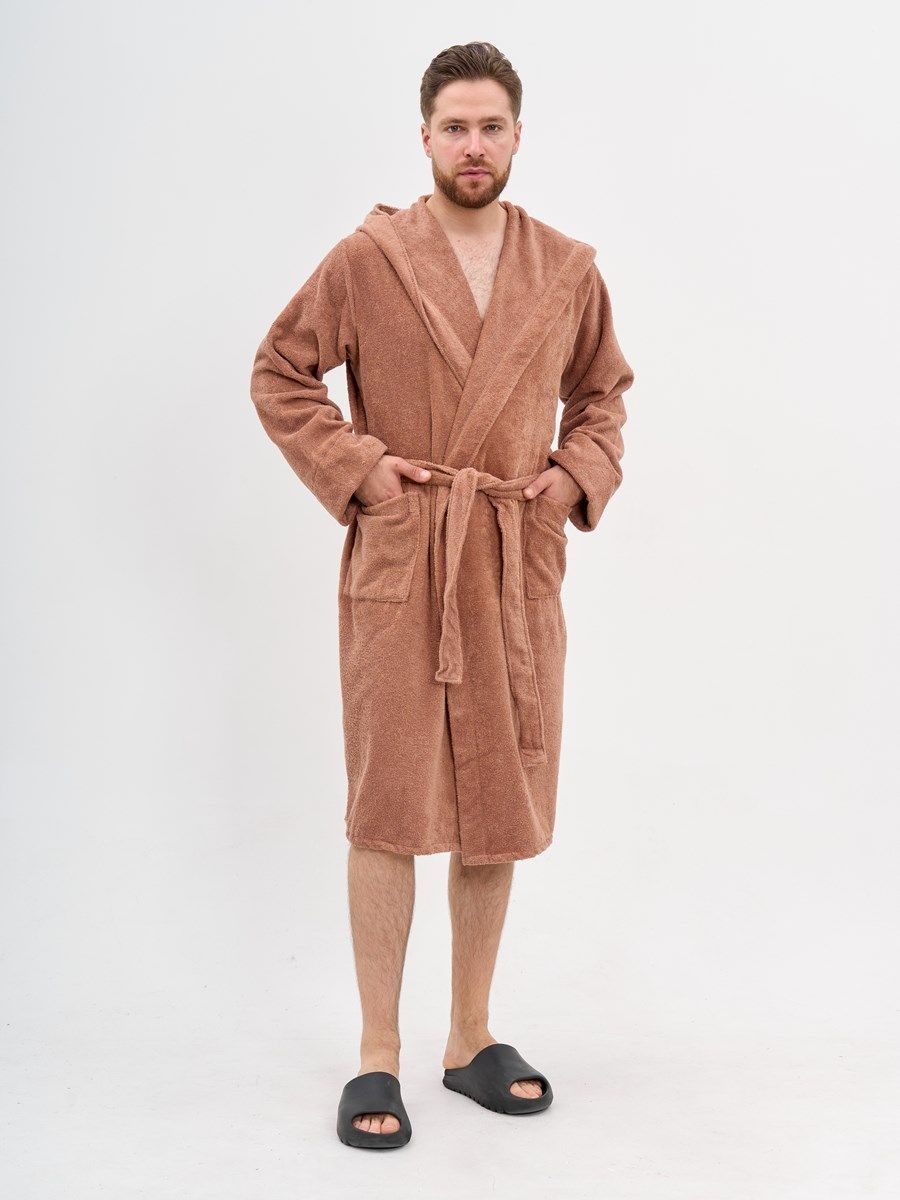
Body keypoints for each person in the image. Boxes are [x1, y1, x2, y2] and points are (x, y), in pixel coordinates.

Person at [249, 41, 635, 1149]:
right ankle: (378, 1051)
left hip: (511, 562)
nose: (474, 145)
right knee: (387, 804)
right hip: (404, 559)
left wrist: (571, 478)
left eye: (491, 127)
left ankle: (469, 1038)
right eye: (456, 127)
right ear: (424, 137)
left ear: (517, 137)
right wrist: (360, 468)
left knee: (496, 804)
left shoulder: (565, 268)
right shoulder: (369, 258)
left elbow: (604, 393)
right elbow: (280, 370)